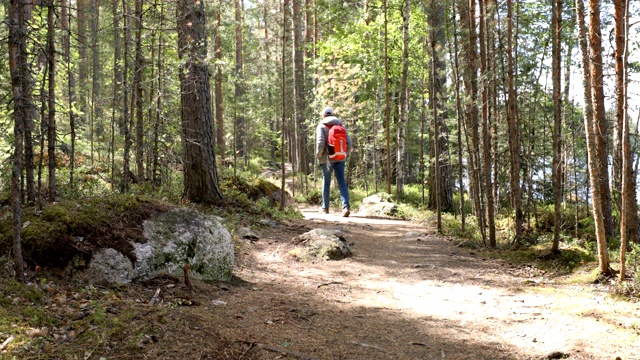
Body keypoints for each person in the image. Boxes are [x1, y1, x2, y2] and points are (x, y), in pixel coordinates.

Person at [315, 106, 352, 217]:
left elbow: (320, 143)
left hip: (327, 159)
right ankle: (345, 207)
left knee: (326, 182)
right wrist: (344, 154)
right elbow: (349, 143)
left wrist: (319, 155)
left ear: (323, 115)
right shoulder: (341, 125)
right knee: (341, 181)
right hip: (340, 157)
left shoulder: (321, 126)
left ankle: (325, 208)